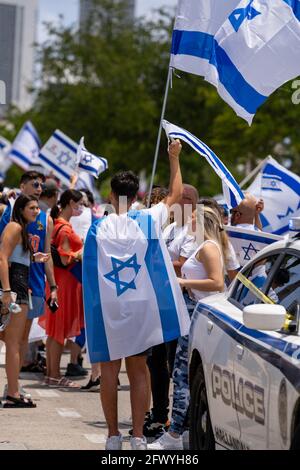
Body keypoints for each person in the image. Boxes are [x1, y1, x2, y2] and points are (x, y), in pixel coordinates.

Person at [83, 139, 190, 451]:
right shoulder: (147, 218)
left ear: (111, 195)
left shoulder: (97, 227)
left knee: (109, 371)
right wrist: (174, 158)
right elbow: (177, 195)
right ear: (136, 196)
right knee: (139, 370)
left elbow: (89, 273)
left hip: (109, 307)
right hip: (142, 306)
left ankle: (113, 436)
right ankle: (139, 436)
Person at [149, 206, 226, 450]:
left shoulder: (208, 248)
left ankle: (173, 434)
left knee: (182, 374)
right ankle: (182, 431)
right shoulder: (203, 247)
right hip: (192, 311)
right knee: (182, 374)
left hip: (198, 314)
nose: (189, 223)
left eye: (193, 220)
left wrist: (183, 281)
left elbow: (217, 282)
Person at [0, 171, 57, 384]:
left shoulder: (44, 220)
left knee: (20, 338)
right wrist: (6, 289)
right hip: (12, 283)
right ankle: (13, 389)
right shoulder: (10, 217)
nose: (40, 189)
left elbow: (43, 254)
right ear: (22, 186)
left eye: (42, 185)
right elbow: (3, 255)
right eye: (35, 184)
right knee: (11, 338)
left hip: (29, 283)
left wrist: (52, 285)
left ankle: (14, 386)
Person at [40, 189, 85, 387]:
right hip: (64, 283)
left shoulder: (57, 223)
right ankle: (55, 374)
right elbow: (66, 258)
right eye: (78, 204)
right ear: (69, 203)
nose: (81, 208)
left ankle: (51, 374)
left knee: (53, 332)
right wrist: (82, 250)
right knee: (58, 331)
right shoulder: (65, 228)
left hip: (56, 281)